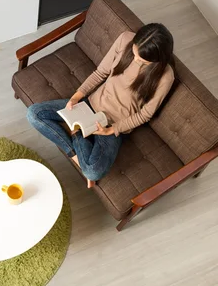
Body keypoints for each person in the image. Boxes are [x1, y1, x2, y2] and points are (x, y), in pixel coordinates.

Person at [26, 23, 175, 188]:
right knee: (34, 114)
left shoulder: (165, 76)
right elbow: (100, 73)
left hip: (112, 125)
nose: (136, 60)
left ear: (157, 60)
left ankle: (77, 133)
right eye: (134, 53)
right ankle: (75, 152)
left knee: (92, 172)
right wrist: (76, 97)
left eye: (142, 61)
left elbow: (145, 115)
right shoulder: (125, 38)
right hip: (89, 106)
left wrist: (112, 129)